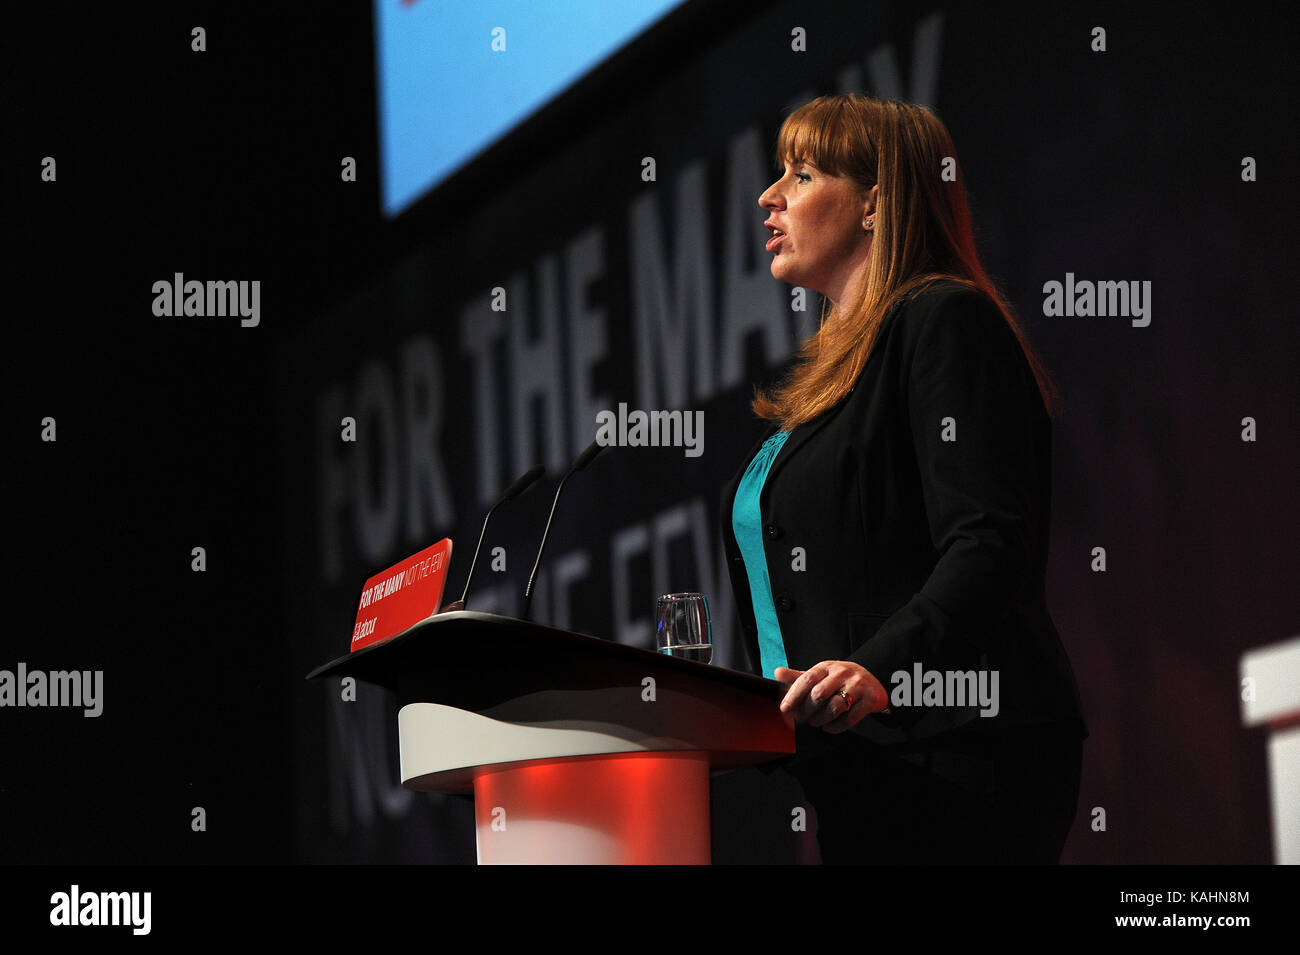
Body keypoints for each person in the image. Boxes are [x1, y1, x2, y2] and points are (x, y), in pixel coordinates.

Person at [720, 94, 1088, 864]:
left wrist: (879, 668)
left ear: (874, 202)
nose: (769, 194)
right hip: (862, 770)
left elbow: (988, 540)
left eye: (803, 172)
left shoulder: (943, 320)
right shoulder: (831, 384)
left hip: (957, 753)